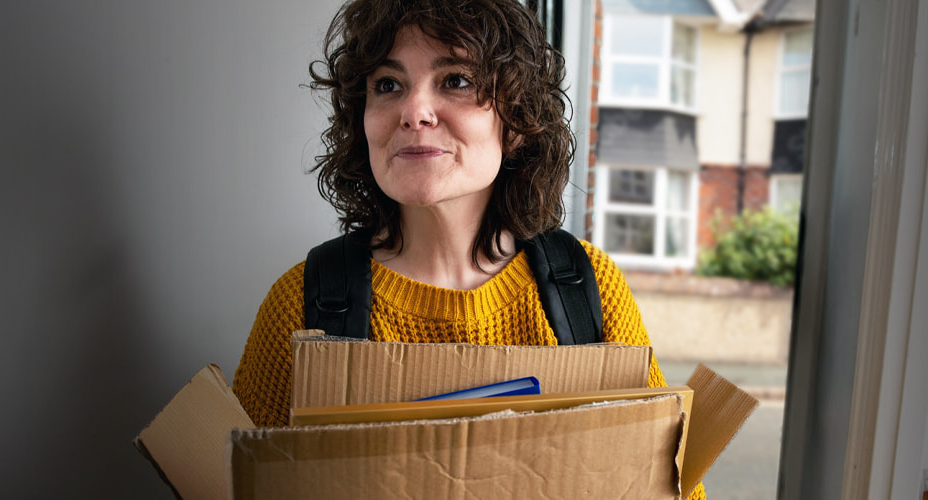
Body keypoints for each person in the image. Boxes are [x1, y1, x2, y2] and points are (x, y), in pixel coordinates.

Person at [233, 0, 703, 497]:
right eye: (387, 85)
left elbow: (670, 486)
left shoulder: (588, 288)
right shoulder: (302, 306)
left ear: (516, 117)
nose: (413, 112)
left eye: (456, 80)